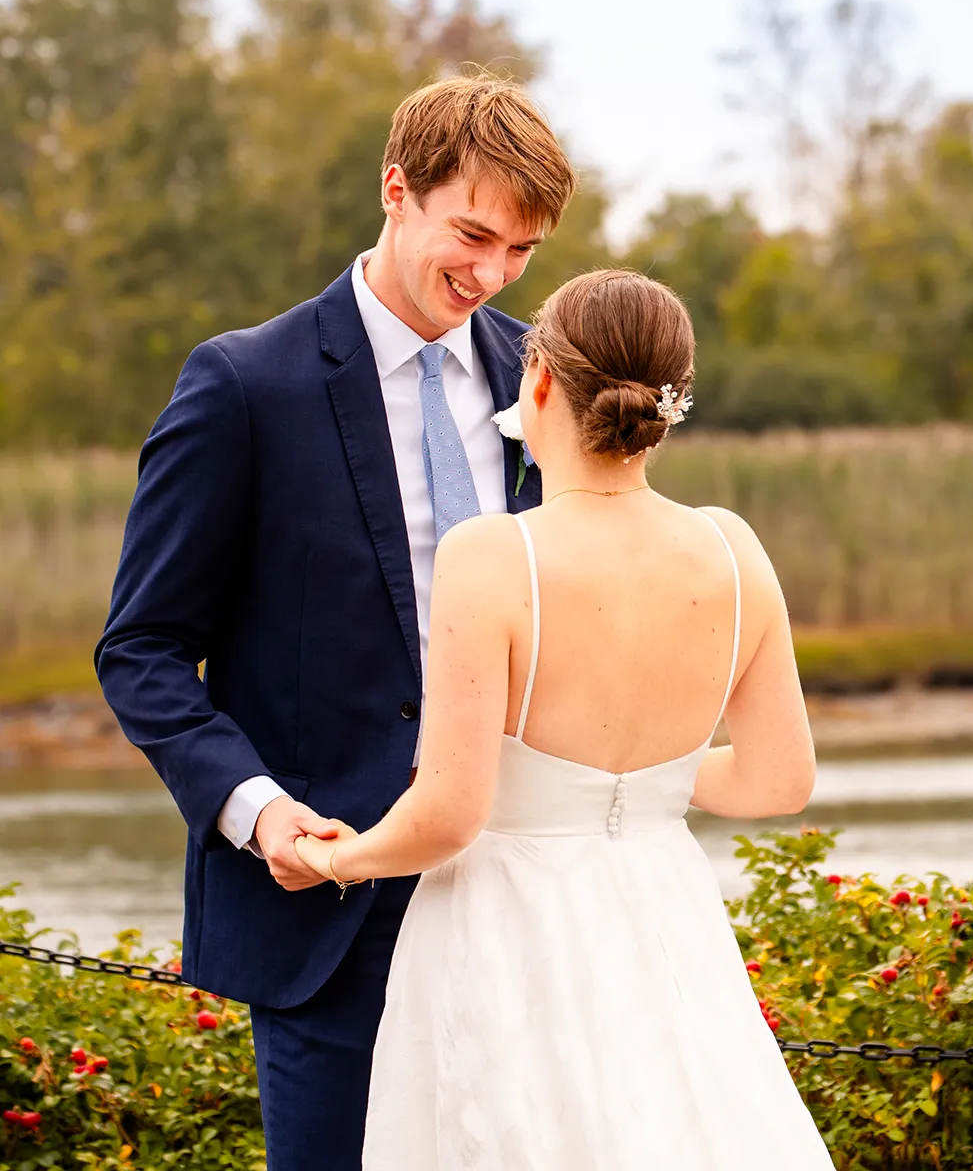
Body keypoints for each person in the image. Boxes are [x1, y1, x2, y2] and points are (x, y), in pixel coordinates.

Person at [95, 73, 575, 1170]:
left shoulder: (544, 381)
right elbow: (143, 649)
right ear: (395, 188)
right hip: (325, 900)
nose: (492, 273)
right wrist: (262, 816)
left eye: (521, 252)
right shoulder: (240, 383)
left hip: (517, 892)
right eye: (472, 233)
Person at [294, 269, 833, 1169]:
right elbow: (780, 780)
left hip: (511, 926)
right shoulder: (732, 547)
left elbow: (450, 813)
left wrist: (332, 859)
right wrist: (639, 782)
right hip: (665, 916)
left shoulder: (494, 553)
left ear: (537, 377)